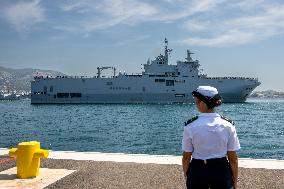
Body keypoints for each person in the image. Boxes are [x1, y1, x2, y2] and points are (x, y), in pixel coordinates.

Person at [182, 86, 240, 189]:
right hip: (221, 169)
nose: (196, 103)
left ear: (202, 102)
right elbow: (233, 158)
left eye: (197, 100)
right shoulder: (228, 125)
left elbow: (186, 156)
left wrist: (188, 175)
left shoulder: (190, 126)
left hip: (197, 169)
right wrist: (235, 181)